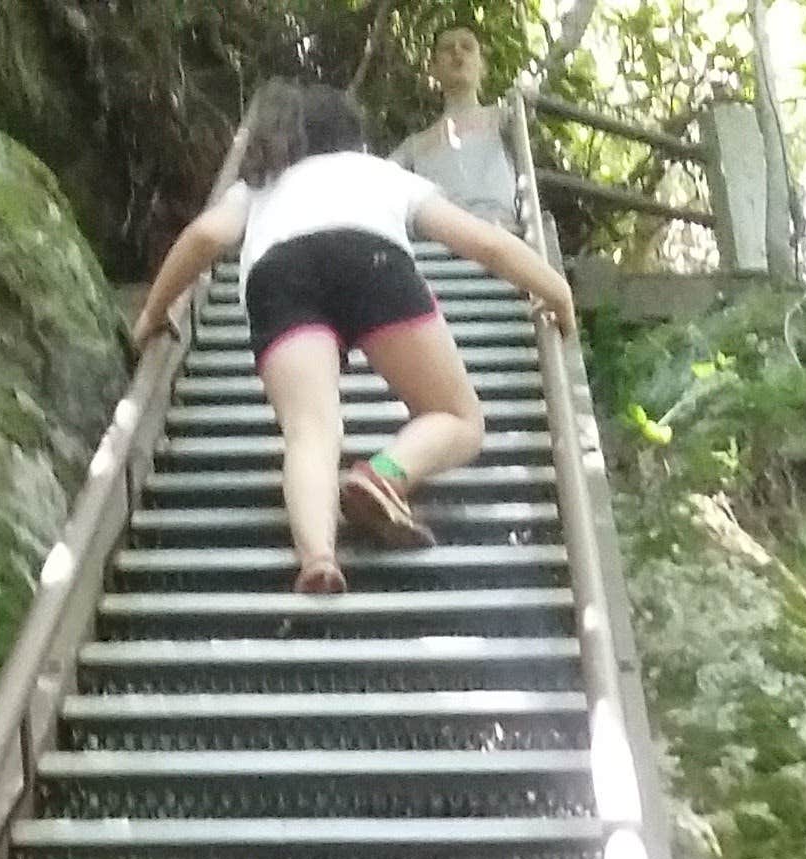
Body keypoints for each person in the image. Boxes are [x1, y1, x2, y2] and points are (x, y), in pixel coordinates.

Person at [131, 81, 576, 598]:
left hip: (278, 277)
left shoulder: (260, 185)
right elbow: (486, 242)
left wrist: (152, 314)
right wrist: (557, 292)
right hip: (372, 262)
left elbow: (205, 237)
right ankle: (383, 475)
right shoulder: (378, 173)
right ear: (355, 138)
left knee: (310, 432)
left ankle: (318, 558)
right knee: (458, 418)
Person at [391, 26, 521, 229]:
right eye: (447, 48)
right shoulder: (415, 145)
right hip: (439, 238)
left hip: (500, 231)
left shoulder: (503, 117)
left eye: (467, 47)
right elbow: (381, 180)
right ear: (433, 69)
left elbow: (527, 120)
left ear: (482, 65)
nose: (457, 52)